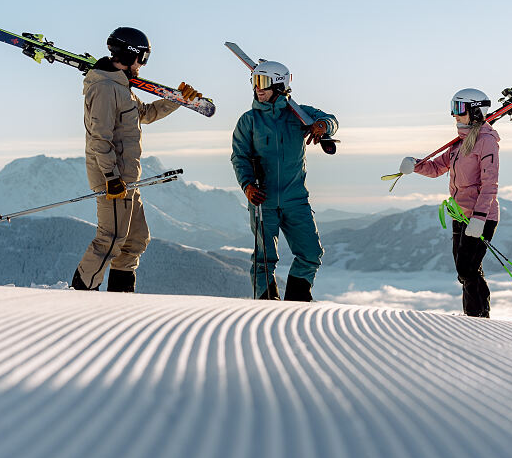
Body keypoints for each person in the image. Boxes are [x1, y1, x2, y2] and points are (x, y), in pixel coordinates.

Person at [71, 27, 201, 293]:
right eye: (142, 58)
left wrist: (176, 100)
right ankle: (81, 294)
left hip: (128, 179)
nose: (142, 65)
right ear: (130, 54)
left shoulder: (121, 87)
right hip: (114, 180)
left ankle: (121, 297)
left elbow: (146, 113)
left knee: (135, 239)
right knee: (111, 238)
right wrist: (111, 178)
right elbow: (100, 138)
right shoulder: (106, 89)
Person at [231, 60, 337, 301]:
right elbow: (240, 156)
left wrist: (323, 125)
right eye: (255, 81)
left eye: (264, 82)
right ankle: (267, 305)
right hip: (262, 200)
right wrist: (247, 185)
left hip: (295, 200)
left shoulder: (298, 115)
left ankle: (297, 302)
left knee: (311, 253)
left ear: (279, 85)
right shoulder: (249, 121)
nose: (258, 88)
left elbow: (330, 119)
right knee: (264, 260)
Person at [400, 88, 499, 317]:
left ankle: (479, 317)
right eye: (453, 109)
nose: (454, 115)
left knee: (467, 269)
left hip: (479, 217)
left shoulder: (486, 142)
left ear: (475, 111)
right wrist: (414, 165)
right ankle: (475, 315)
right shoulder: (459, 144)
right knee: (464, 270)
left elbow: (490, 184)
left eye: (459, 109)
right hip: (460, 214)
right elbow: (436, 168)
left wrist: (479, 218)